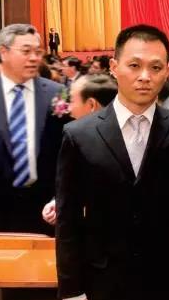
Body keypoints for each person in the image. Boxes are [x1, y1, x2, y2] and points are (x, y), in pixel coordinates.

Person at [56, 25, 169, 300]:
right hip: (101, 286)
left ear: (167, 71)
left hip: (164, 286)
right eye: (134, 65)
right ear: (114, 66)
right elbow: (68, 221)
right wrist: (71, 293)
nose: (145, 76)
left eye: (155, 67)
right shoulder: (79, 135)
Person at [0, 24, 67, 234]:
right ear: (4, 52)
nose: (34, 58)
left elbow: (67, 153)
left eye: (38, 52)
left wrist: (59, 199)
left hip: (46, 208)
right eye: (26, 51)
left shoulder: (58, 93)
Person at [42, 74, 118, 226]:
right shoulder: (75, 137)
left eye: (72, 101)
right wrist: (58, 202)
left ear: (91, 105)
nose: (69, 109)